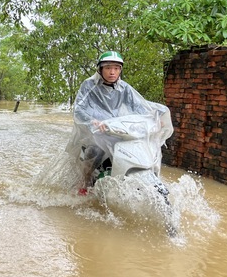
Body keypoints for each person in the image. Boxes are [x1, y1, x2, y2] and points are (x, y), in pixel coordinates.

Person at [65, 50, 171, 192]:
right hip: (96, 130)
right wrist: (92, 121)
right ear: (100, 69)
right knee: (95, 150)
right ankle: (85, 184)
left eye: (116, 68)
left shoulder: (124, 88)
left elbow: (140, 106)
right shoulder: (89, 85)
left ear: (120, 70)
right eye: (108, 68)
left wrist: (155, 118)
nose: (112, 72)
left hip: (115, 127)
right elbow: (79, 109)